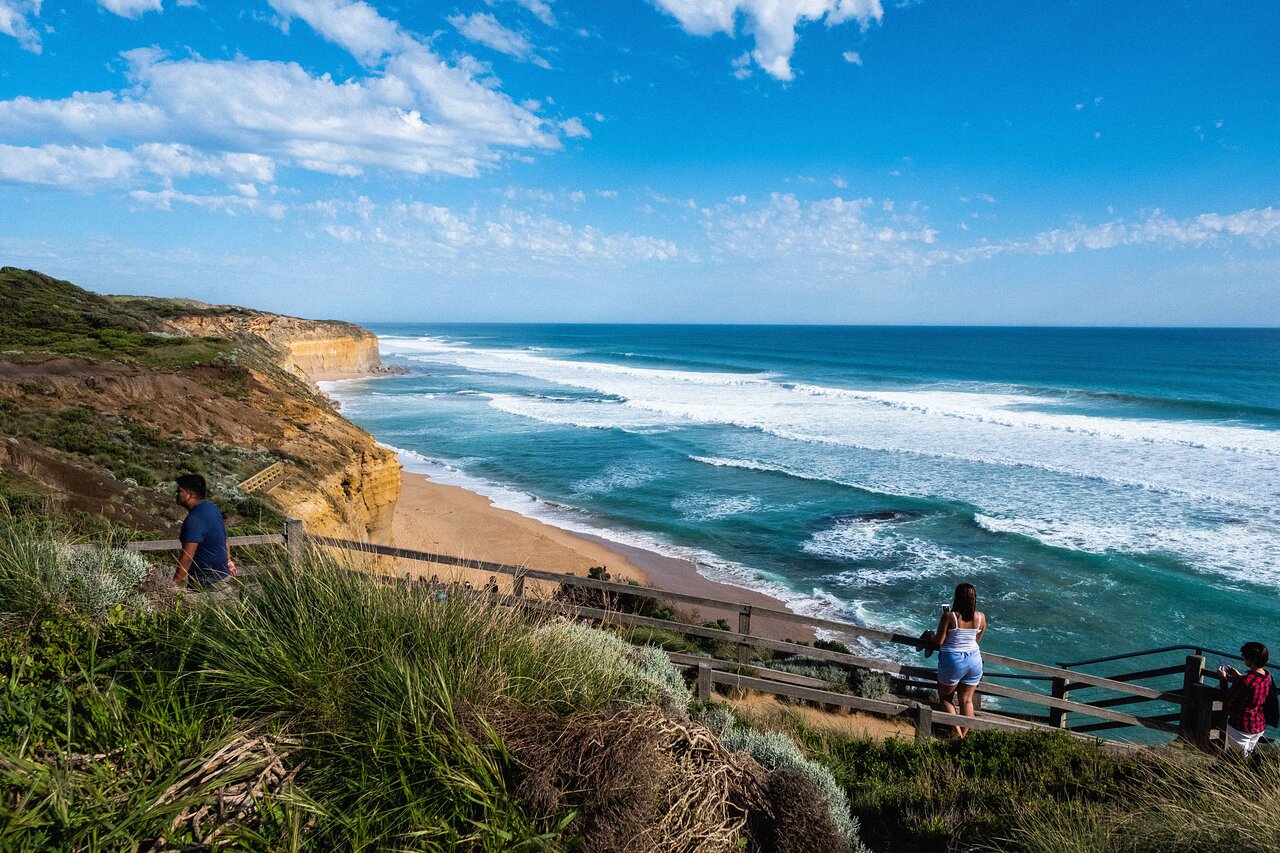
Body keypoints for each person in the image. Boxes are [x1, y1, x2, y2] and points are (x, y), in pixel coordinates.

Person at [932, 583, 987, 737]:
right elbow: (976, 639)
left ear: (957, 598)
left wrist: (930, 635)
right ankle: (963, 735)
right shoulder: (981, 617)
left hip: (954, 661)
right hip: (974, 660)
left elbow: (939, 641)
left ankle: (958, 737)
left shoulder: (950, 616)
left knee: (946, 699)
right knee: (967, 700)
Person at [173, 474, 232, 589]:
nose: (176, 493)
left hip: (207, 582)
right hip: (222, 576)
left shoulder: (194, 520)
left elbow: (187, 557)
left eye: (180, 491)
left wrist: (173, 586)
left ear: (190, 495)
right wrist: (228, 561)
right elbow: (226, 539)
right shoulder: (212, 508)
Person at [1217, 642, 1273, 756]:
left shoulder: (1245, 681)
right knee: (1248, 754)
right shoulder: (1268, 676)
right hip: (1259, 724)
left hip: (1241, 727)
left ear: (1251, 659)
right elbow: (1254, 687)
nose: (1243, 658)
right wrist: (1240, 676)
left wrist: (1223, 678)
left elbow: (1227, 699)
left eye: (1244, 656)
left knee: (1239, 758)